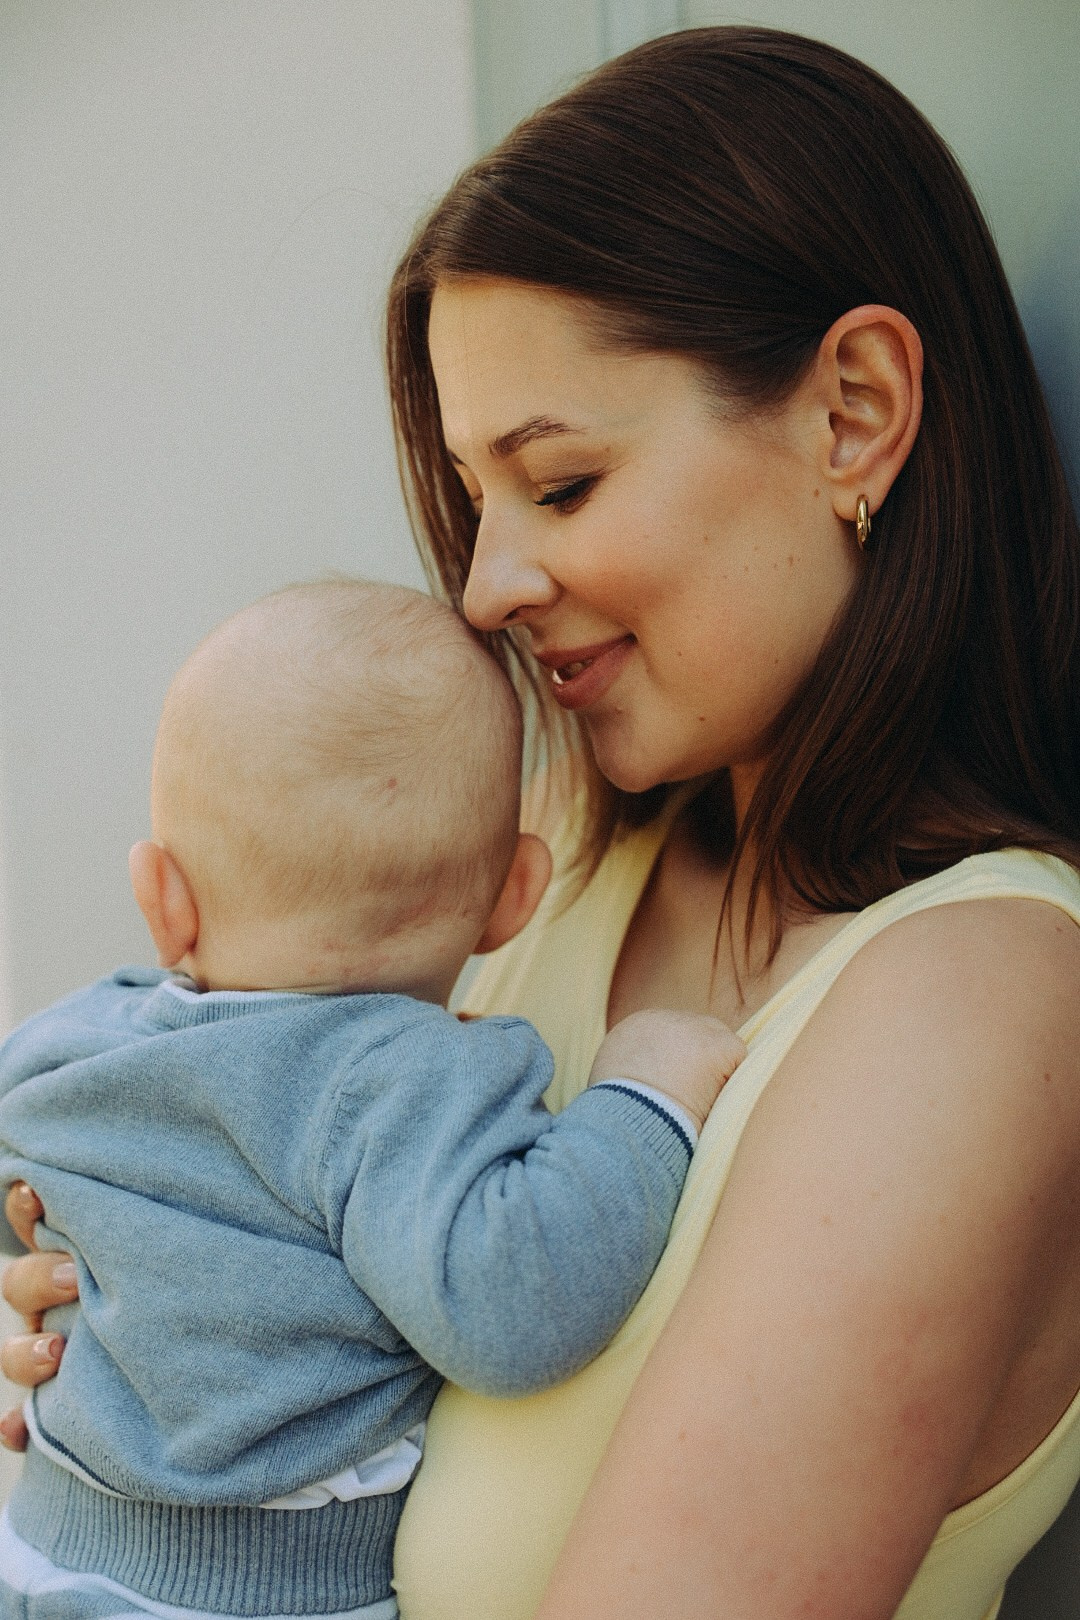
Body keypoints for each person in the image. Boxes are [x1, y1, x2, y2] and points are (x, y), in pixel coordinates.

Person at [5, 23, 1080, 1620]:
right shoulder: (544, 875)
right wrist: (119, 1387)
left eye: (560, 484)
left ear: (853, 413)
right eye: (472, 499)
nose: (483, 585)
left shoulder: (977, 1001)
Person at [0, 579, 744, 1619]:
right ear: (514, 898)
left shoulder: (70, 1047)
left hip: (42, 1551)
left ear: (162, 899)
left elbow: (23, 1203)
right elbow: (514, 1302)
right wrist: (645, 1094)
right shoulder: (404, 1083)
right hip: (260, 1596)